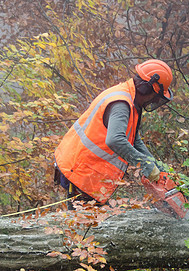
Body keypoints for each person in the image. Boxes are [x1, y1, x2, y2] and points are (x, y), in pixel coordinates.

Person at [54, 59, 174, 204]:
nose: (153, 101)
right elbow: (115, 140)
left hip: (86, 168)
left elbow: (134, 139)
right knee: (82, 223)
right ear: (145, 89)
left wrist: (155, 166)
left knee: (93, 220)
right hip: (81, 170)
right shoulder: (121, 104)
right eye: (154, 96)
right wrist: (144, 164)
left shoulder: (130, 99)